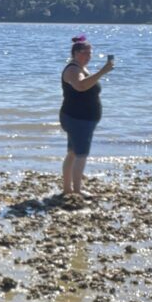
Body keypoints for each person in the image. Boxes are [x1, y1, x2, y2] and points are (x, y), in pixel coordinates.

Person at [59, 35, 114, 198]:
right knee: (80, 154)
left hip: (79, 117)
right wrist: (103, 71)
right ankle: (76, 190)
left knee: (72, 153)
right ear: (76, 53)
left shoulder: (80, 68)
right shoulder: (73, 69)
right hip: (77, 118)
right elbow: (81, 86)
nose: (88, 56)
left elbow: (85, 84)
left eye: (90, 53)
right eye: (85, 53)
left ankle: (67, 189)